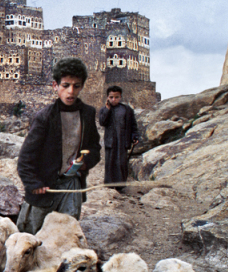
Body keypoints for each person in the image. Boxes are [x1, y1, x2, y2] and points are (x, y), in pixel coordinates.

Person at [15, 57, 101, 234]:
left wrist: (84, 162)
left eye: (76, 86)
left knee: (66, 233)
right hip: (45, 188)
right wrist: (34, 183)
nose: (71, 91)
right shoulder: (44, 117)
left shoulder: (87, 114)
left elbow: (95, 148)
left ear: (82, 86)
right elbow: (25, 158)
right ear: (55, 86)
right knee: (34, 235)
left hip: (71, 186)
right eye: (65, 85)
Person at [97, 85, 140, 191]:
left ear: (120, 97)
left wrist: (134, 136)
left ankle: (120, 186)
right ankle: (110, 185)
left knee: (121, 162)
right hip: (110, 141)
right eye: (111, 97)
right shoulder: (104, 110)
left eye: (116, 97)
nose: (114, 99)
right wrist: (107, 110)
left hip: (122, 141)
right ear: (107, 97)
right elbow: (102, 122)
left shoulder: (127, 110)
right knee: (110, 163)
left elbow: (133, 125)